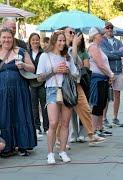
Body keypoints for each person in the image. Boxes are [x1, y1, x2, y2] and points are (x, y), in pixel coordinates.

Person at [37, 31, 79, 164]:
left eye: (63, 41)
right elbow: (39, 77)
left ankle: (62, 151)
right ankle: (50, 153)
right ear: (54, 41)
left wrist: (68, 72)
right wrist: (54, 70)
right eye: (59, 41)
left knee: (65, 123)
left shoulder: (67, 57)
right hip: (52, 90)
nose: (61, 43)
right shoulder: (45, 56)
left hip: (66, 90)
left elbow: (76, 74)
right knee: (53, 123)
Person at [63, 27, 107, 145]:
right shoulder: (61, 48)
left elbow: (80, 63)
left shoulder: (73, 48)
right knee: (65, 115)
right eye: (70, 33)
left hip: (76, 83)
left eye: (74, 33)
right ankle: (62, 140)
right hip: (65, 85)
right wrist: (75, 46)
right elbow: (69, 60)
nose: (73, 35)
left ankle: (91, 135)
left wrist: (75, 48)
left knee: (86, 109)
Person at [0, 28, 37, 157]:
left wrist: (24, 65)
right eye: (4, 37)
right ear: (0, 39)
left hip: (20, 90)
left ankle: (23, 145)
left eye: (9, 37)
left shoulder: (21, 51)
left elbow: (32, 68)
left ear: (13, 39)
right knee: (5, 117)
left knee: (21, 115)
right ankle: (7, 147)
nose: (6, 40)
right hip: (2, 92)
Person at [88, 27, 114, 138]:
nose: (102, 36)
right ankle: (93, 130)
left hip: (103, 78)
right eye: (100, 35)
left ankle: (99, 128)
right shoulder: (93, 47)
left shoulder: (98, 47)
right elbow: (100, 64)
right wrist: (110, 74)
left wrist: (108, 75)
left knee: (102, 103)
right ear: (95, 36)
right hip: (97, 78)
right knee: (98, 104)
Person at [100, 22, 123, 128]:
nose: (110, 29)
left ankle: (115, 117)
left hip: (118, 71)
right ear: (104, 29)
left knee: (117, 95)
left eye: (111, 27)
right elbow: (105, 54)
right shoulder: (102, 41)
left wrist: (113, 53)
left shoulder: (118, 41)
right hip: (107, 72)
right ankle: (104, 118)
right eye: (108, 27)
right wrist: (117, 53)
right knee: (106, 96)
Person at [28, 33, 49, 137]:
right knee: (34, 106)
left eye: (37, 40)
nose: (35, 42)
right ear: (30, 41)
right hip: (31, 82)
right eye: (33, 40)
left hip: (42, 81)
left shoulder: (43, 53)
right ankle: (36, 127)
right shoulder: (27, 53)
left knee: (44, 104)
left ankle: (46, 127)